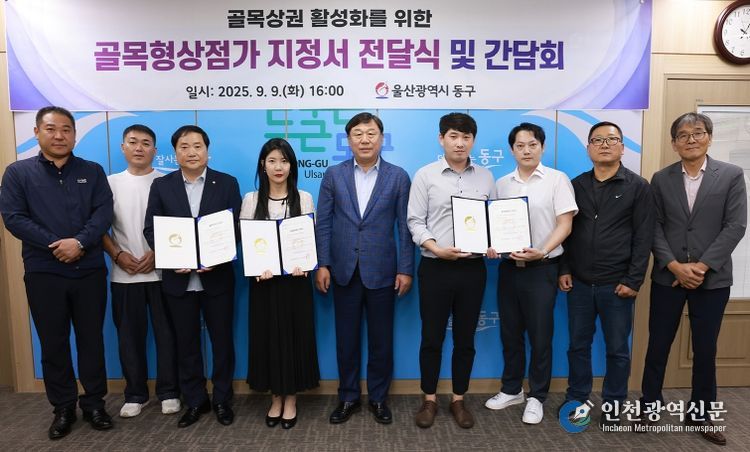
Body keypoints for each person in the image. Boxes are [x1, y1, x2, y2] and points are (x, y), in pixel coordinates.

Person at [0, 106, 114, 439]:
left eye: (66, 129)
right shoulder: (18, 173)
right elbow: (14, 218)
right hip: (44, 272)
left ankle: (94, 404)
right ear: (37, 132)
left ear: (75, 135)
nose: (59, 135)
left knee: (91, 340)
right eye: (51, 129)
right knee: (53, 342)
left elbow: (103, 212)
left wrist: (79, 242)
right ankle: (63, 407)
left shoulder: (92, 171)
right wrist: (57, 244)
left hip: (88, 270)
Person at [640, 112, 746, 446]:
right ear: (674, 143)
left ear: (709, 138)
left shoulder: (730, 175)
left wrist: (701, 267)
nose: (691, 139)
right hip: (667, 276)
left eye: (698, 133)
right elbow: (654, 226)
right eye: (683, 135)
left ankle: (701, 413)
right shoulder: (661, 179)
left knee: (705, 349)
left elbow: (735, 226)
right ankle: (649, 407)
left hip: (711, 280)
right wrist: (674, 265)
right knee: (658, 344)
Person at [315, 112, 414, 425]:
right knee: (346, 340)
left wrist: (406, 268)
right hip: (343, 269)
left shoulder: (398, 177)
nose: (365, 139)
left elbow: (405, 227)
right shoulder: (334, 175)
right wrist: (323, 264)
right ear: (349, 140)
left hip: (383, 271)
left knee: (381, 340)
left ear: (381, 138)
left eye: (371, 133)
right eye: (358, 134)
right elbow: (324, 223)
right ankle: (348, 397)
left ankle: (379, 398)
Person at [557, 121, 654, 429]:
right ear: (588, 148)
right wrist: (564, 268)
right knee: (578, 346)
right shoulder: (576, 185)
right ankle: (577, 399)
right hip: (580, 283)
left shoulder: (638, 187)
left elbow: (644, 238)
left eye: (612, 139)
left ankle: (613, 404)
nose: (604, 145)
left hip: (617, 285)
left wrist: (633, 280)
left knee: (617, 350)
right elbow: (566, 232)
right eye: (597, 140)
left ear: (622, 147)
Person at [144, 125, 241, 428]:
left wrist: (218, 256)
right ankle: (195, 400)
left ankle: (222, 399)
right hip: (178, 280)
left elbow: (236, 227)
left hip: (217, 278)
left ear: (207, 151)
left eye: (197, 146)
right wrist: (172, 258)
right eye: (184, 147)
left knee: (222, 342)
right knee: (186, 343)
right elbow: (151, 229)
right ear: (175, 153)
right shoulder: (162, 186)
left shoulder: (226, 183)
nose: (191, 152)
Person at [484, 122, 577, 425]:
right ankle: (512, 389)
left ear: (542, 147)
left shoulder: (557, 180)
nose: (526, 150)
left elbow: (565, 224)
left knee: (540, 335)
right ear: (512, 150)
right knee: (510, 333)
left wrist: (543, 251)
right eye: (520, 145)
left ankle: (537, 396)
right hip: (509, 269)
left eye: (532, 144)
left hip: (542, 269)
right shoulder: (502, 184)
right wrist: (492, 245)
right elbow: (494, 225)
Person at [408, 112, 496, 429]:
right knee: (431, 337)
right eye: (453, 136)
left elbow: (493, 220)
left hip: (473, 269)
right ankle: (429, 399)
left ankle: (458, 398)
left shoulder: (486, 177)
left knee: (465, 339)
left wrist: (493, 243)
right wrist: (435, 248)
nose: (460, 143)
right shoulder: (425, 175)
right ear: (441, 138)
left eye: (466, 137)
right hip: (435, 267)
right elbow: (415, 221)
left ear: (473, 140)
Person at [101, 124, 181, 418]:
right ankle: (135, 394)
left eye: (146, 143)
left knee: (167, 335)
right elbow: (98, 227)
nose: (139, 148)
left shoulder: (168, 182)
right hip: (124, 273)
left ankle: (169, 392)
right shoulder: (109, 183)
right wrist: (117, 254)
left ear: (155, 151)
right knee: (129, 337)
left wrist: (159, 254)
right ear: (123, 147)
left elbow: (178, 227)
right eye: (133, 142)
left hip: (162, 272)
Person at [240, 138, 320, 430]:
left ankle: (292, 399)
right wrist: (256, 268)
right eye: (272, 161)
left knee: (295, 339)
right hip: (264, 284)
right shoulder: (251, 200)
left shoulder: (304, 198)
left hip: (295, 283)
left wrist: (305, 264)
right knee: (268, 339)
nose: (278, 167)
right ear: (263, 165)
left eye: (284, 161)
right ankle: (275, 398)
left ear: (292, 166)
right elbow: (246, 242)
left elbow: (310, 240)